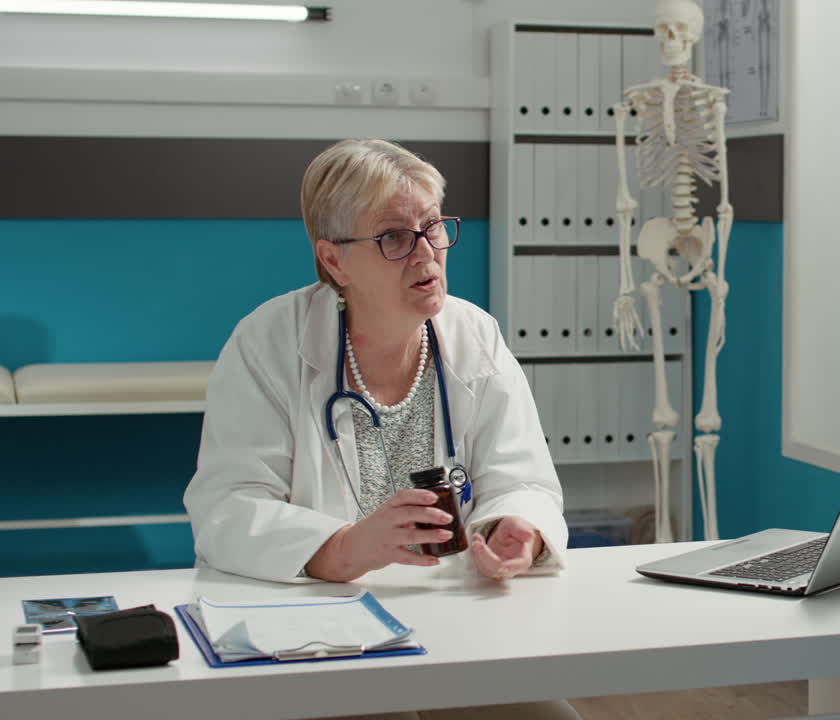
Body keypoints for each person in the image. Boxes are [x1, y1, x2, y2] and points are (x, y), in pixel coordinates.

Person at [184, 139, 580, 719]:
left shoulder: (475, 335)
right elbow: (227, 506)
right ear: (336, 260)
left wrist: (517, 528)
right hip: (312, 631)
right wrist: (342, 548)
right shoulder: (267, 343)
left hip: (456, 616)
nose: (427, 254)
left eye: (434, 227)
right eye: (395, 237)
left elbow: (522, 477)